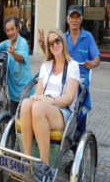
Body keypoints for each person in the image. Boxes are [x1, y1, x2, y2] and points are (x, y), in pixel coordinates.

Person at [21, 29, 80, 181]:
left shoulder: (73, 66)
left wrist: (50, 101)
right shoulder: (46, 65)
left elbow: (68, 98)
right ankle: (26, 159)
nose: (54, 45)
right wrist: (36, 96)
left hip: (62, 110)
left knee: (38, 106)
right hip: (43, 106)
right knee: (27, 103)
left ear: (63, 42)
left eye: (57, 41)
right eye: (51, 43)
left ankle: (45, 164)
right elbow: (39, 91)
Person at [38, 5, 100, 77]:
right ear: (67, 20)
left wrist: (93, 63)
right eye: (72, 17)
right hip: (64, 76)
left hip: (81, 78)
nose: (74, 20)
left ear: (81, 20)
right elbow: (52, 57)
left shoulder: (88, 37)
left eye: (77, 17)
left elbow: (97, 58)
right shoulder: (62, 37)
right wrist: (42, 45)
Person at [0, 16, 34, 116]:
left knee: (24, 125)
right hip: (13, 95)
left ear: (17, 29)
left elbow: (21, 59)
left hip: (25, 92)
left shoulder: (22, 43)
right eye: (7, 30)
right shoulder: (6, 43)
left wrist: (13, 53)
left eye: (12, 29)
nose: (10, 33)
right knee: (13, 124)